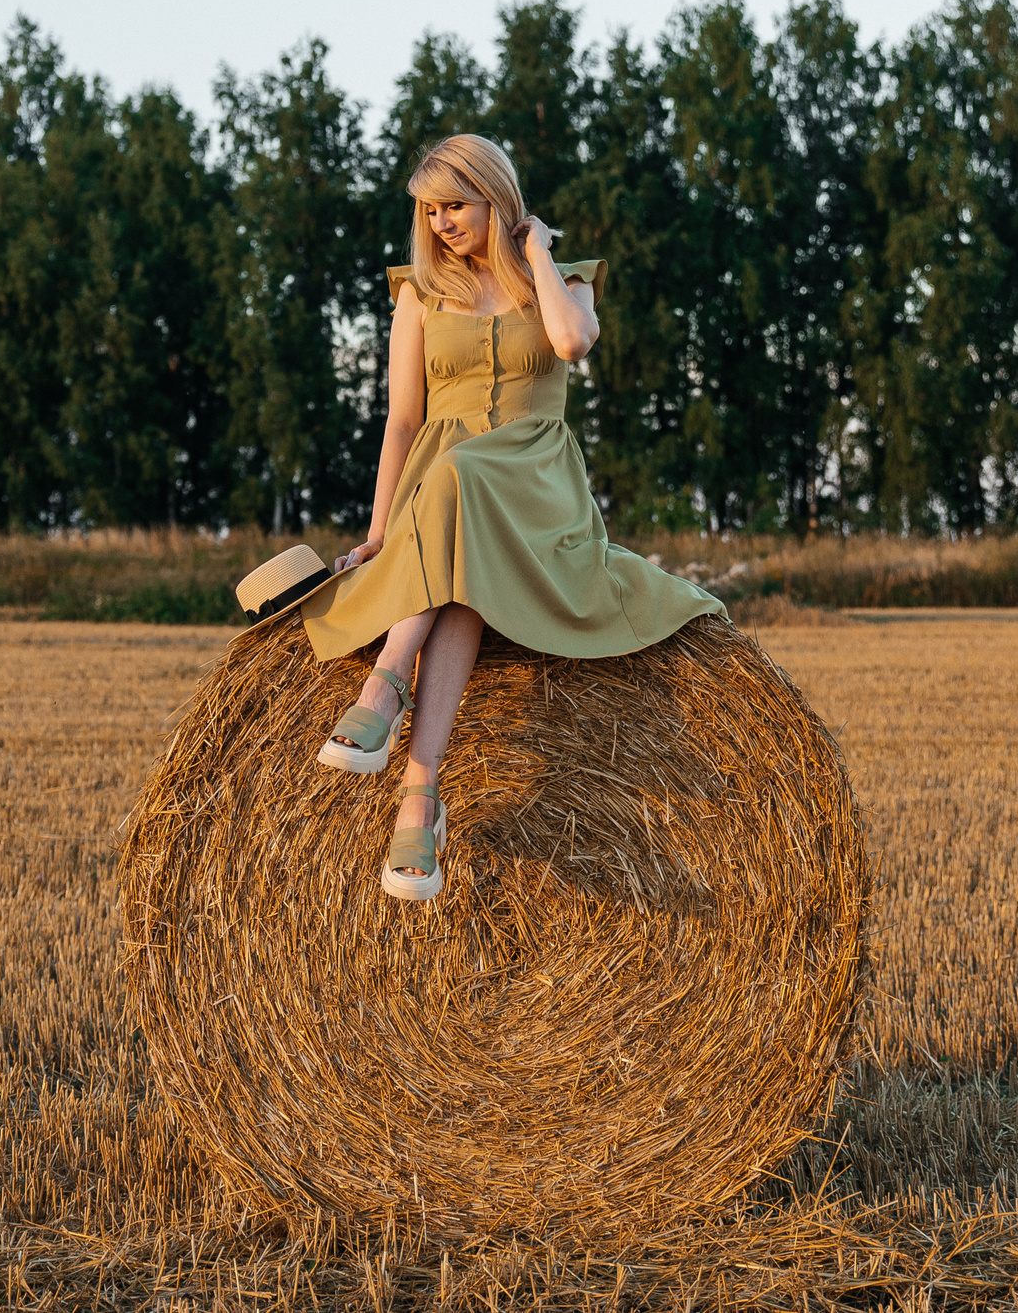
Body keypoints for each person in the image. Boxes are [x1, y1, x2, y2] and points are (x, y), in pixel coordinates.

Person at [299, 134, 723, 902]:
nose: (440, 225)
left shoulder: (565, 282)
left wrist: (538, 254)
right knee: (461, 559)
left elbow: (572, 341)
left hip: (534, 482)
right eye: (429, 212)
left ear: (497, 197)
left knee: (465, 479)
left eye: (455, 205)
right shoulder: (418, 293)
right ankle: (419, 802)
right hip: (445, 495)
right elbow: (402, 421)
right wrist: (378, 532)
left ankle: (387, 686)